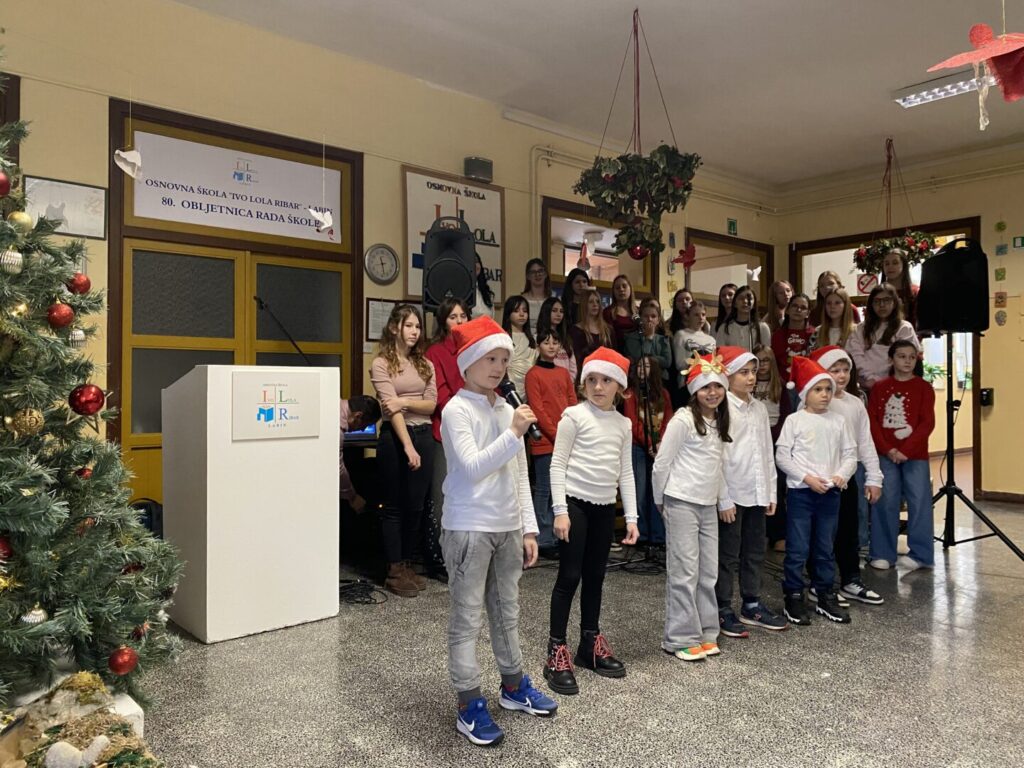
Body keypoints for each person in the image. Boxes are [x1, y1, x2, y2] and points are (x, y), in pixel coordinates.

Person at [441, 316, 557, 746]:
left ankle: (512, 685)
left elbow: (519, 473)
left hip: (508, 526)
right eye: (490, 359)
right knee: (467, 617)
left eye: (504, 360)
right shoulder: (456, 410)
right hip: (469, 527)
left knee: (507, 611)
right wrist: (513, 433)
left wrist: (528, 528)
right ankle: (469, 702)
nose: (498, 368)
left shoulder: (508, 409)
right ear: (468, 362)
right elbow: (473, 467)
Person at [545, 348, 639, 694]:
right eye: (592, 380)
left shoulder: (623, 424)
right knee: (569, 576)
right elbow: (557, 464)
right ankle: (556, 649)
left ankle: (589, 643)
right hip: (575, 505)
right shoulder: (573, 416)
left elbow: (625, 472)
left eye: (606, 381)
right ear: (583, 383)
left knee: (596, 576)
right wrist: (560, 510)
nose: (598, 387)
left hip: (603, 508)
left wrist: (631, 517)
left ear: (620, 388)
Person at [653, 353, 733, 662]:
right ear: (694, 390)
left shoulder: (720, 421)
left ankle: (706, 632)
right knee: (684, 572)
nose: (712, 393)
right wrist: (660, 500)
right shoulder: (683, 420)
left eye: (718, 386)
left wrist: (723, 500)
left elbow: (717, 466)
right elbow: (662, 464)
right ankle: (680, 637)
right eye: (705, 387)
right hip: (681, 501)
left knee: (707, 572)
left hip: (707, 505)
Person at [775, 356, 857, 626]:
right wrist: (806, 478)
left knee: (825, 547)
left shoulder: (838, 421)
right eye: (818, 389)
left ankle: (824, 594)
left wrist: (841, 475)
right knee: (798, 548)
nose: (824, 395)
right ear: (805, 393)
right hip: (801, 493)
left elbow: (850, 454)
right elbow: (782, 456)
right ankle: (793, 595)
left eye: (828, 389)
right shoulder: (795, 421)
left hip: (830, 494)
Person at [714, 346, 788, 637]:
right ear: (728, 375)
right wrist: (722, 497)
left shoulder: (758, 408)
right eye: (743, 372)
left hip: (757, 492)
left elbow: (766, 452)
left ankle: (752, 603)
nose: (751, 377)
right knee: (727, 554)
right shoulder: (722, 407)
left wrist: (770, 491)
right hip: (732, 493)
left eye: (753, 371)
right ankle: (722, 607)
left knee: (755, 551)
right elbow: (717, 456)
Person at [370, 304, 438, 597]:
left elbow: (431, 405)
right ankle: (394, 569)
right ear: (394, 327)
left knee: (416, 505)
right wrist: (408, 446)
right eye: (409, 325)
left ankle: (407, 562)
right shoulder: (381, 363)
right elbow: (390, 409)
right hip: (395, 438)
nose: (414, 331)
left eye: (417, 326)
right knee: (394, 506)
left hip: (424, 434)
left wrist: (405, 401)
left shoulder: (425, 364)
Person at [809, 346, 884, 606]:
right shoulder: (813, 401)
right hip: (819, 479)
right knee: (821, 533)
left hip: (846, 477)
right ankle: (819, 582)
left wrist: (874, 477)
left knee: (849, 529)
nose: (841, 376)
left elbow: (865, 442)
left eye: (845, 370)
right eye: (835, 370)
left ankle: (851, 578)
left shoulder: (855, 403)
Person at [867, 339, 936, 572]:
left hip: (915, 455)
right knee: (885, 501)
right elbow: (873, 422)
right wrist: (888, 449)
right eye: (902, 356)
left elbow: (927, 423)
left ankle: (921, 554)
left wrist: (906, 450)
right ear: (891, 359)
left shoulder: (924, 388)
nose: (907, 361)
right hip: (886, 454)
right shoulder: (879, 387)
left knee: (919, 502)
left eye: (911, 357)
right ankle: (882, 553)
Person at [425, 298, 471, 579]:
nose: (459, 321)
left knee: (468, 496)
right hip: (445, 430)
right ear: (443, 321)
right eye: (453, 317)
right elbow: (440, 393)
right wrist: (464, 416)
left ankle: (464, 555)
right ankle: (437, 559)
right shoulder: (435, 351)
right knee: (442, 498)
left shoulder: (473, 348)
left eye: (463, 316)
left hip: (474, 431)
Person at [525, 328, 578, 559]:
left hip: (565, 439)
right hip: (545, 441)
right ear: (539, 346)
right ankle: (544, 538)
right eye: (546, 342)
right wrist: (558, 435)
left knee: (561, 489)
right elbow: (538, 410)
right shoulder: (533, 374)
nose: (551, 346)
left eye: (555, 342)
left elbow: (572, 403)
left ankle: (558, 534)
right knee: (544, 489)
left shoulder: (563, 373)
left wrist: (570, 432)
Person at [622, 356, 673, 553]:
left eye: (647, 366)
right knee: (640, 490)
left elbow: (668, 420)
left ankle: (658, 535)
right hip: (638, 447)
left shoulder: (664, 394)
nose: (642, 369)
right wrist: (651, 443)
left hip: (660, 447)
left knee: (657, 491)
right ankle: (641, 533)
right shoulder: (630, 393)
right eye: (639, 365)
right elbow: (632, 422)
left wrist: (660, 443)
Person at [846, 283, 920, 394]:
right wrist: (871, 378)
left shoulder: (904, 327)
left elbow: (906, 357)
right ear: (871, 304)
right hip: (867, 385)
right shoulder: (860, 329)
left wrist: (886, 382)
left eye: (886, 300)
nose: (882, 305)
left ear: (894, 303)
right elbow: (855, 355)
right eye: (877, 301)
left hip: (896, 386)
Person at [752, 344, 790, 551]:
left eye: (766, 360)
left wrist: (772, 435)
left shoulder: (780, 385)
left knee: (776, 488)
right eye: (758, 361)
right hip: (753, 440)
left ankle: (779, 533)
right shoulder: (748, 384)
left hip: (775, 441)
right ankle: (763, 533)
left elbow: (786, 416)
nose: (762, 365)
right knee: (757, 489)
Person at [339, 395, 382, 513]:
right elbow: (338, 468)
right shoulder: (337, 431)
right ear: (357, 416)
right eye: (365, 425)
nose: (363, 430)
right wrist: (352, 497)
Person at [569, 290, 613, 383]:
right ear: (584, 304)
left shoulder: (608, 330)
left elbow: (613, 357)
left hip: (605, 378)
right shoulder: (575, 331)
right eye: (591, 302)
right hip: (583, 378)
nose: (595, 304)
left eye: (597, 301)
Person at [624, 297, 672, 382]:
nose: (649, 319)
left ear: (658, 320)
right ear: (640, 318)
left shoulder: (663, 339)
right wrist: (649, 337)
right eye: (646, 316)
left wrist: (649, 358)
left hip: (660, 380)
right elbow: (639, 358)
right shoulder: (631, 337)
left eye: (653, 316)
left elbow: (667, 362)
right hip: (638, 379)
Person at [501, 295, 537, 401]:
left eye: (525, 311)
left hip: (529, 386)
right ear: (508, 314)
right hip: (509, 386)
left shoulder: (532, 339)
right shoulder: (503, 337)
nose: (522, 314)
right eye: (516, 311)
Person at [714, 285, 771, 352]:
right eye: (741, 298)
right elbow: (720, 353)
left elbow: (766, 353)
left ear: (754, 303)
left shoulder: (762, 327)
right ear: (735, 303)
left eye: (749, 299)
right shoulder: (724, 328)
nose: (745, 301)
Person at [771, 293, 815, 381]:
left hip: (808, 382)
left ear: (808, 313)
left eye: (803, 308)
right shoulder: (778, 335)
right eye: (795, 306)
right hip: (782, 383)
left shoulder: (814, 334)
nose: (798, 310)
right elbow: (773, 363)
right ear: (787, 310)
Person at [537, 296, 577, 383]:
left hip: (566, 385)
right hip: (546, 384)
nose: (558, 314)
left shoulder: (566, 338)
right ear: (546, 312)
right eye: (554, 310)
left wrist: (568, 383)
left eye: (561, 311)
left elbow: (573, 367)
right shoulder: (538, 337)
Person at [881, 249, 918, 329]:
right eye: (886, 264)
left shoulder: (914, 292)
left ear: (904, 265)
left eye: (895, 263)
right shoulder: (878, 292)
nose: (890, 266)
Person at [603, 274, 638, 351]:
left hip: (636, 353)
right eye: (617, 287)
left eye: (624, 286)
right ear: (613, 291)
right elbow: (607, 340)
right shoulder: (607, 312)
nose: (621, 289)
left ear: (630, 288)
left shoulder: (639, 311)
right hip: (615, 353)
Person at [521, 258, 551, 337]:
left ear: (546, 274)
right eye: (533, 272)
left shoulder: (552, 301)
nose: (537, 274)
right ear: (528, 276)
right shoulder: (521, 301)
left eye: (540, 271)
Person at [473, 253, 495, 319]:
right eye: (471, 261)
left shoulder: (486, 291)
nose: (475, 265)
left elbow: (492, 317)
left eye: (477, 261)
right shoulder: (460, 290)